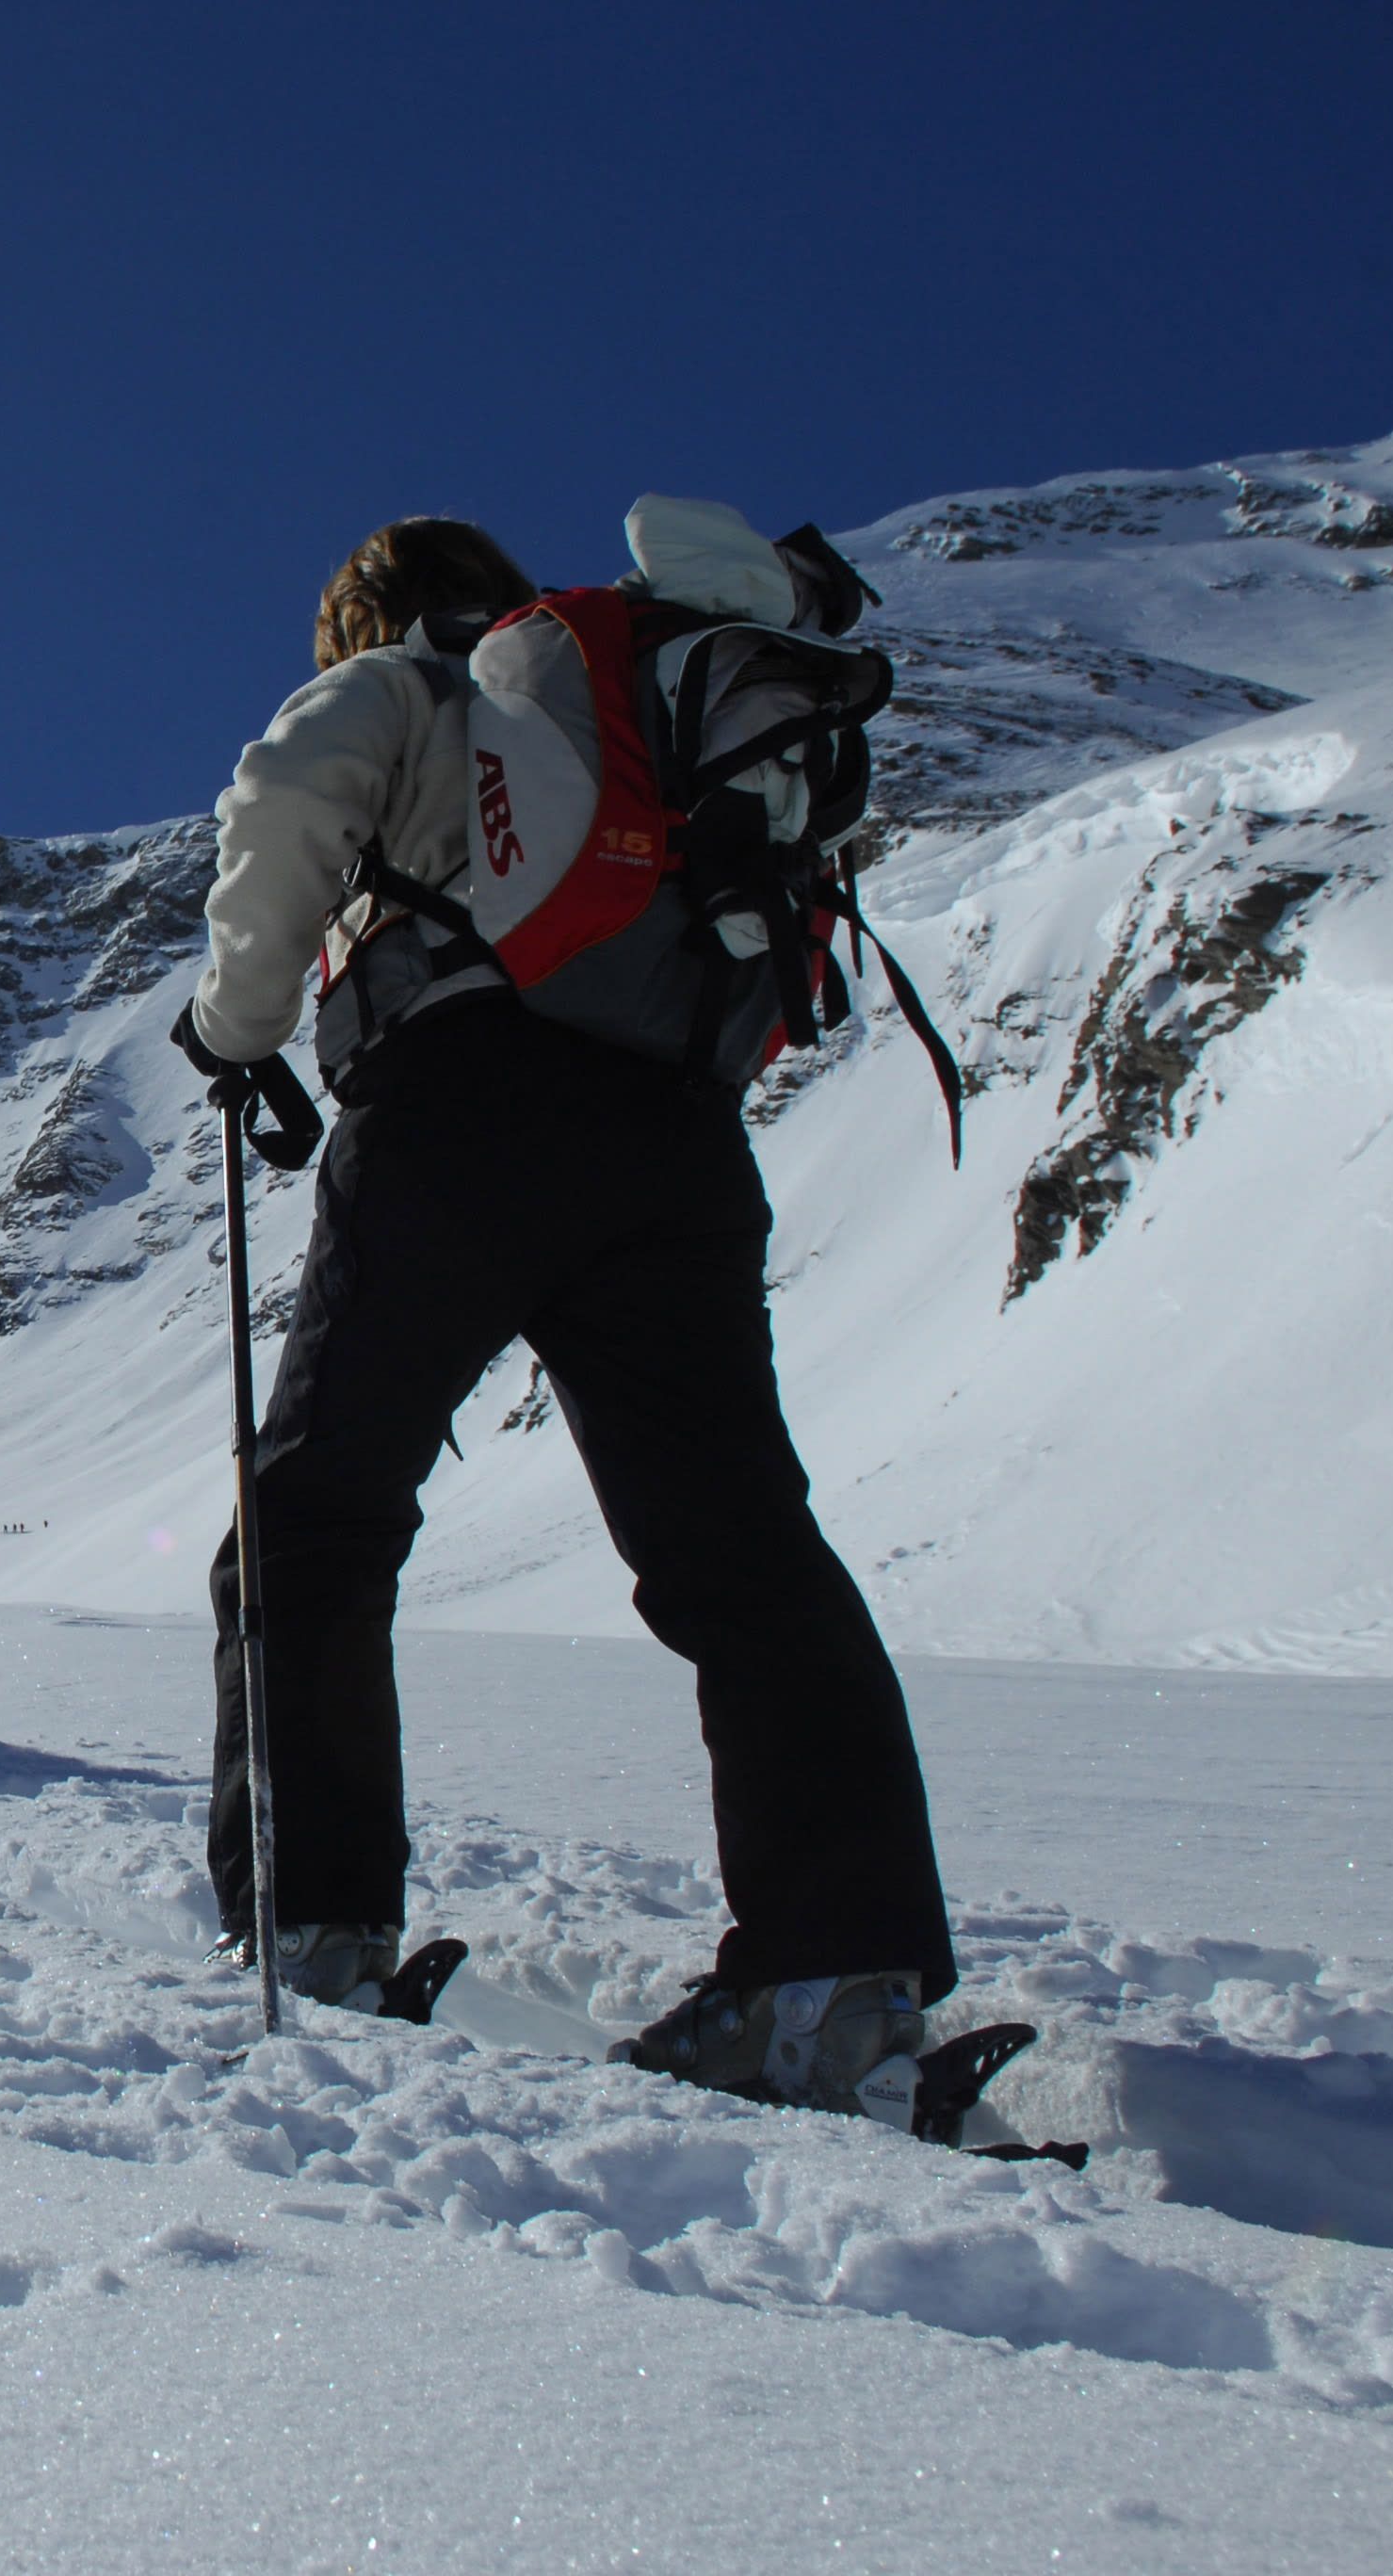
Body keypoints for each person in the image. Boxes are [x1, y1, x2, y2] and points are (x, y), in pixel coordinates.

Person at [172, 513, 959, 2121]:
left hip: (458, 1111)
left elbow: (285, 799)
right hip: (676, 1136)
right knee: (736, 1547)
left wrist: (233, 1026)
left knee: (314, 1520)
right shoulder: (617, 712)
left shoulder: (408, 683)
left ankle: (313, 1928)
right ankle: (831, 1974)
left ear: (368, 617)